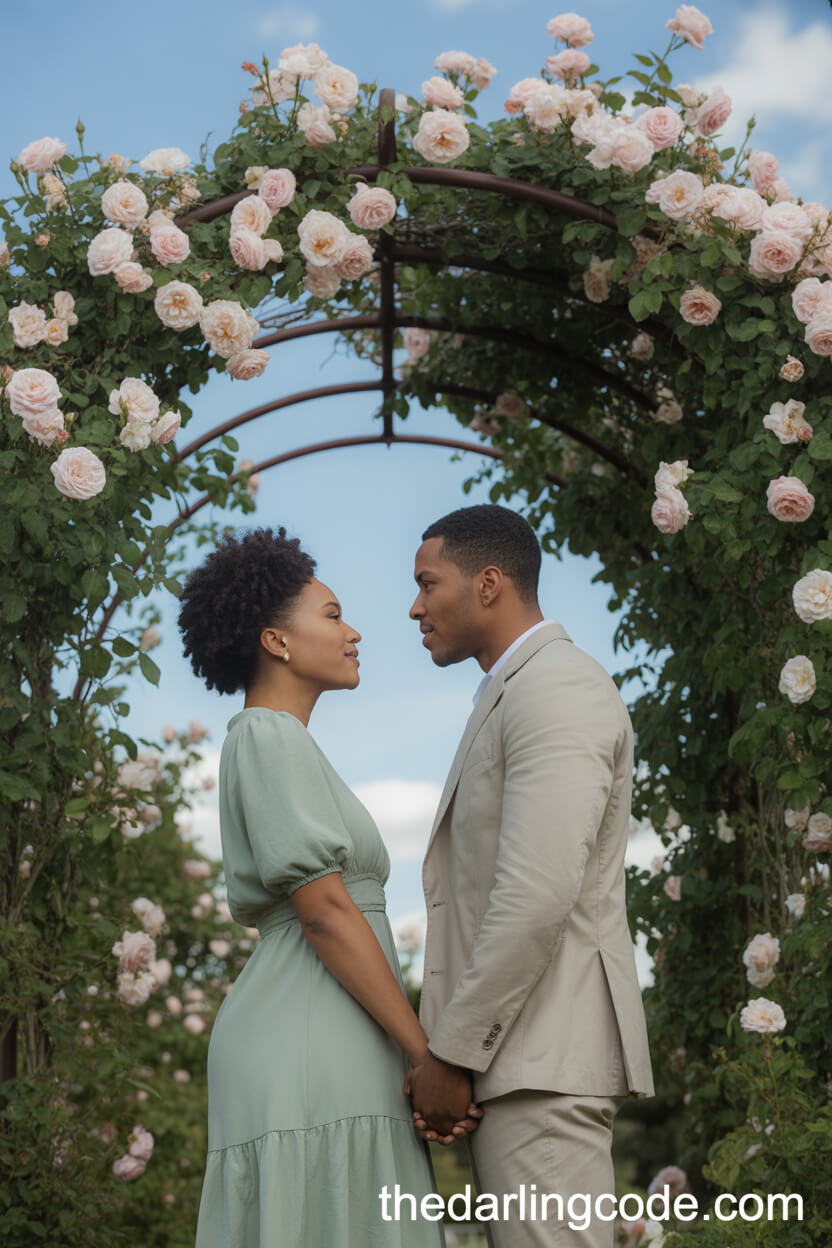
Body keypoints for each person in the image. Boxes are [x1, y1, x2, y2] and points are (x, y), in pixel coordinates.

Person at [178, 526, 481, 1248]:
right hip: (305, 1044)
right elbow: (323, 914)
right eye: (333, 614)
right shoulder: (266, 736)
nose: (355, 632)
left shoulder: (286, 744)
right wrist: (426, 1056)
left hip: (331, 1036)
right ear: (276, 642)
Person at [404, 504, 655, 1248]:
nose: (414, 607)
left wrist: (452, 1052)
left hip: (540, 1064)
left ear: (488, 584)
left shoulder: (557, 688)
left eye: (427, 583)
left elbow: (537, 893)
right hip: (517, 1065)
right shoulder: (516, 690)